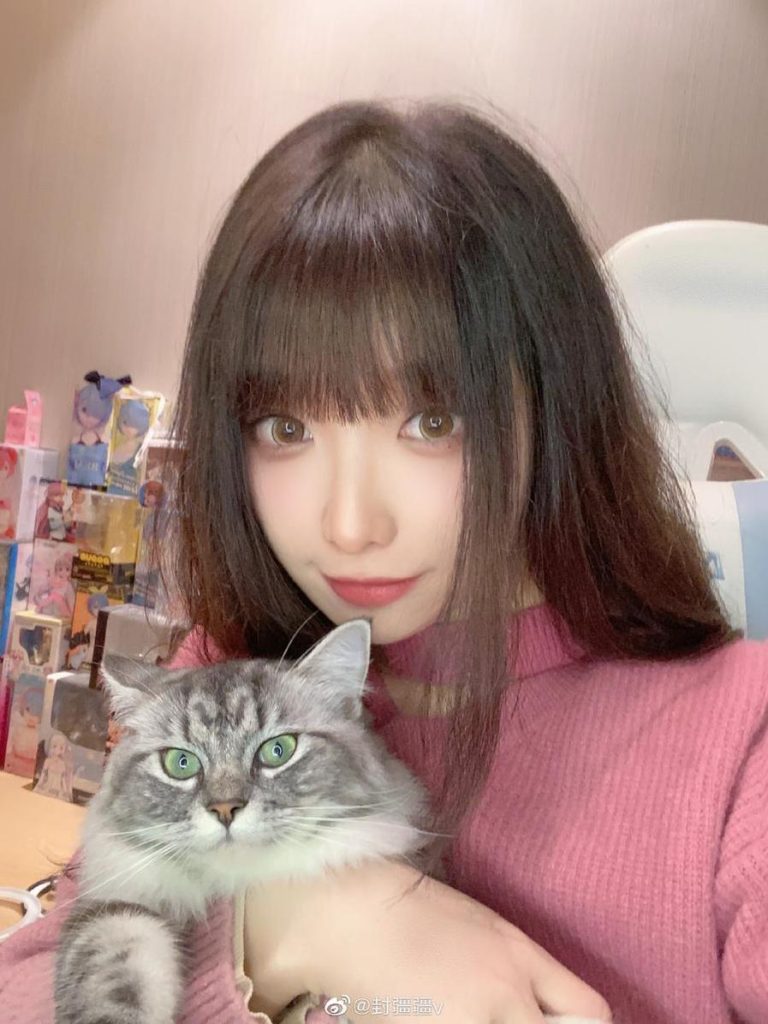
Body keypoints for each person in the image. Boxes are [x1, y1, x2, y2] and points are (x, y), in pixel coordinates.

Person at [1, 101, 765, 1024]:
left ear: (557, 397)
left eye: (431, 421)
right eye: (285, 428)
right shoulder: (237, 673)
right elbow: (31, 974)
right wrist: (279, 932)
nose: (351, 525)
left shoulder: (743, 745)